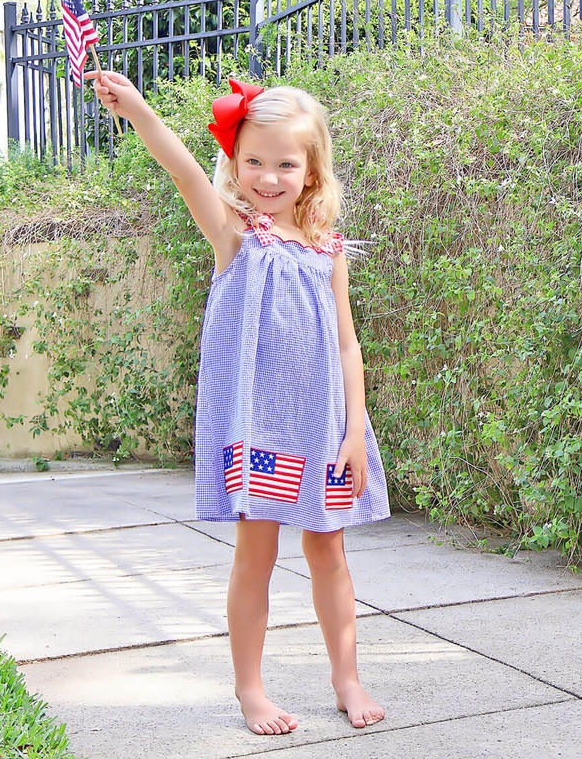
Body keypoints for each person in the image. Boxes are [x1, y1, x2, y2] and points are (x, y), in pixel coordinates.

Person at [85, 71, 391, 736]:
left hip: (323, 430)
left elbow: (347, 345)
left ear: (311, 171)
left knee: (330, 554)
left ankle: (346, 677)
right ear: (235, 162)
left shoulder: (328, 248)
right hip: (261, 433)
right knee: (256, 555)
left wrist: (352, 432)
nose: (268, 176)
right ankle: (251, 690)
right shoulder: (234, 235)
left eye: (286, 164)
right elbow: (182, 169)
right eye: (253, 161)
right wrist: (138, 111)